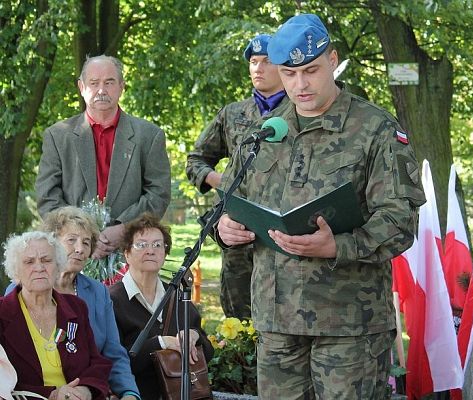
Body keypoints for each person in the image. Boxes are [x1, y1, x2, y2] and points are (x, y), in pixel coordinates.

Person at [217, 14, 426, 399]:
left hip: (348, 326)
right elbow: (231, 201)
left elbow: (400, 219)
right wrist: (226, 227)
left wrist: (339, 246)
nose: (300, 84)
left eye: (310, 70)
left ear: (332, 59)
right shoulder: (265, 131)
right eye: (289, 73)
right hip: (277, 320)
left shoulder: (375, 129)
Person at [186, 34, 288, 319]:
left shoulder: (299, 111)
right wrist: (219, 181)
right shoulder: (233, 113)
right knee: (239, 320)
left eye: (266, 61)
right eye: (253, 62)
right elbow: (196, 160)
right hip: (238, 233)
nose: (258, 68)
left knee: (283, 317)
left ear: (283, 67)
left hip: (281, 233)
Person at [35, 55, 171, 260]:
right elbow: (47, 197)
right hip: (73, 256)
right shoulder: (57, 136)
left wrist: (124, 228)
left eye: (109, 82)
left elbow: (158, 194)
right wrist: (83, 237)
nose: (101, 90)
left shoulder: (149, 136)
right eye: (94, 83)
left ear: (121, 86)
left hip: (132, 252)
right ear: (81, 87)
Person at [6, 207, 141, 399]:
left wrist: (128, 393)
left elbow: (113, 353)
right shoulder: (19, 290)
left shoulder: (97, 293)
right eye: (72, 240)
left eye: (86, 243)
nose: (79, 248)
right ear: (52, 244)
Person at [109, 213, 213, 400]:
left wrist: (193, 337)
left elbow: (208, 352)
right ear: (126, 253)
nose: (150, 250)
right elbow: (114, 362)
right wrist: (162, 343)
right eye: (141, 245)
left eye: (158, 245)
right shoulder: (112, 300)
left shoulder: (178, 295)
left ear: (165, 253)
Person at [0, 231, 111, 399]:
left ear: (58, 266)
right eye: (29, 262)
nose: (39, 267)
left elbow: (96, 362)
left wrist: (86, 389)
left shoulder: (76, 307)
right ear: (16, 272)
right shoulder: (2, 313)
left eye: (46, 260)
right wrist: (52, 394)